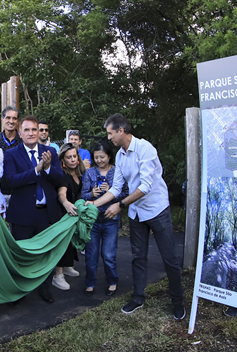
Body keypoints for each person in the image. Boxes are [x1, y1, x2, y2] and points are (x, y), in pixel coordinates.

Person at [90, 113, 184, 320]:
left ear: (121, 131)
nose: (108, 138)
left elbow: (146, 186)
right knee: (138, 257)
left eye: (110, 133)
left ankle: (178, 301)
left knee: (169, 258)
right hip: (136, 213)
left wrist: (120, 205)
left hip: (156, 209)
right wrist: (93, 204)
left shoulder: (145, 149)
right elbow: (116, 187)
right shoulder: (121, 156)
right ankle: (138, 297)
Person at [1, 115, 65, 303]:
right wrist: (36, 170)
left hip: (46, 213)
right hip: (22, 214)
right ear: (20, 133)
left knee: (45, 254)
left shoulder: (50, 152)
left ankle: (44, 288)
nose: (31, 133)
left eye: (34, 129)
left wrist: (47, 169)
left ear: (39, 132)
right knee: (21, 254)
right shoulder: (11, 154)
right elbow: (9, 181)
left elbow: (60, 178)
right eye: (27, 130)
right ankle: (20, 290)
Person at [81, 141, 124, 296]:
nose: (99, 160)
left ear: (109, 156)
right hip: (93, 219)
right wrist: (92, 194)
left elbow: (125, 195)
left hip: (110, 219)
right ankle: (90, 283)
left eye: (102, 157)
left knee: (108, 254)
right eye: (96, 157)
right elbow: (83, 195)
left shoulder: (117, 171)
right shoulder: (90, 173)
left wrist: (111, 192)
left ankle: (112, 282)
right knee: (91, 255)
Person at [53, 143, 86, 290]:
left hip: (73, 212)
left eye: (74, 156)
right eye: (69, 157)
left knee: (70, 242)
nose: (72, 159)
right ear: (63, 160)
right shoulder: (63, 175)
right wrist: (66, 203)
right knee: (62, 242)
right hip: (62, 213)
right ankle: (57, 275)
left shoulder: (78, 173)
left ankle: (67, 266)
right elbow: (61, 193)